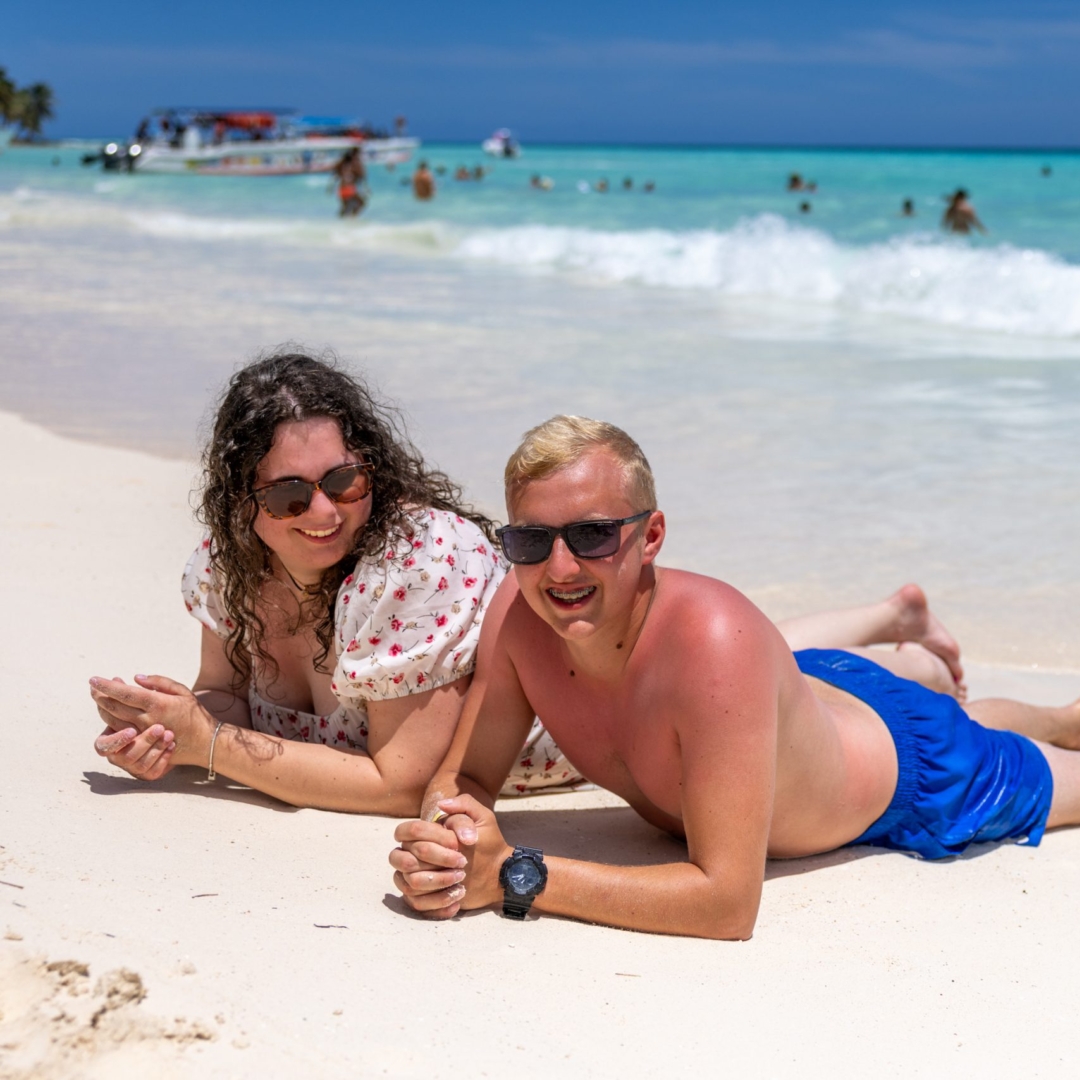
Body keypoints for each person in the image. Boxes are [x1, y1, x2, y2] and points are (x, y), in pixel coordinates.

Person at [90, 357, 971, 812]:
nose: (324, 511)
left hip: (557, 718)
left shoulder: (407, 567)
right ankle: (893, 613)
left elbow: (403, 781)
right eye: (290, 493)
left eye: (344, 481)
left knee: (769, 686)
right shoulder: (224, 567)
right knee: (771, 660)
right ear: (241, 503)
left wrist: (211, 747)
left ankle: (913, 658)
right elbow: (223, 697)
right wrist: (175, 733)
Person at [390, 416, 1080, 938]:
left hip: (916, 776)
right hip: (800, 697)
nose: (560, 569)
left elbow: (727, 903)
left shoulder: (717, 647)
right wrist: (448, 839)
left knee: (1001, 741)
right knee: (961, 708)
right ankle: (1024, 705)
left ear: (651, 535)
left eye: (593, 535)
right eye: (531, 541)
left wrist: (515, 876)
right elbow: (465, 778)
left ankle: (1048, 720)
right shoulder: (519, 612)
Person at [332, 147, 368, 218]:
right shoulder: (356, 163)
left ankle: (340, 221)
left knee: (345, 207)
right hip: (350, 189)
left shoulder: (342, 164)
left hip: (341, 189)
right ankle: (353, 218)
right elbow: (362, 175)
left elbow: (335, 172)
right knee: (361, 203)